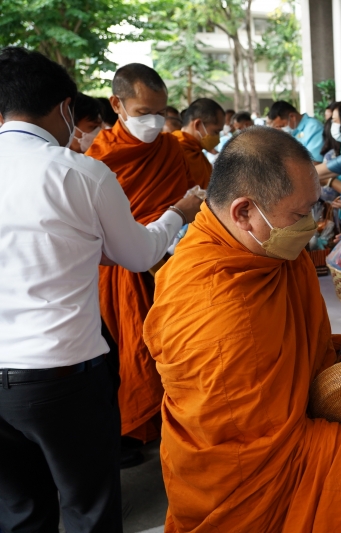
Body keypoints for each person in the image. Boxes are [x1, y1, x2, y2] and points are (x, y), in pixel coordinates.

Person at [142, 126, 341, 532]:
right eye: (299, 214)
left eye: (312, 208)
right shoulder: (215, 309)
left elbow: (298, 351)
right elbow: (262, 456)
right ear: (243, 212)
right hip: (247, 496)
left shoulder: (266, 250)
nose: (310, 225)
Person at [0, 47, 201, 533]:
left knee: (20, 512)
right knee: (89, 507)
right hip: (64, 371)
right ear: (67, 107)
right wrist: (176, 212)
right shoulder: (82, 171)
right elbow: (137, 254)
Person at [85, 63, 194, 462]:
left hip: (169, 265)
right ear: (117, 104)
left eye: (160, 112)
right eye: (143, 111)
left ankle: (164, 418)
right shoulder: (99, 158)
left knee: (168, 345)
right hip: (118, 270)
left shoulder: (169, 148)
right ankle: (132, 427)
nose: (154, 121)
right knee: (128, 348)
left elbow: (185, 198)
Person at [172, 98, 225, 189]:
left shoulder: (198, 153)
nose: (218, 139)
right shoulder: (172, 150)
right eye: (216, 132)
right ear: (198, 125)